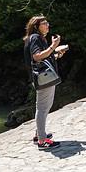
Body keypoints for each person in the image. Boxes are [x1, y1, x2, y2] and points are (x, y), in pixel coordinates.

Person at [23, 15, 67, 148]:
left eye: (47, 22)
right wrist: (53, 46)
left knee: (44, 107)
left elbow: (43, 57)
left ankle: (39, 134)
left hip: (42, 77)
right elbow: (37, 57)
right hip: (42, 78)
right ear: (36, 27)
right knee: (42, 108)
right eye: (44, 23)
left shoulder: (36, 38)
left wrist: (55, 54)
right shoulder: (35, 38)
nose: (47, 25)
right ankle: (42, 140)